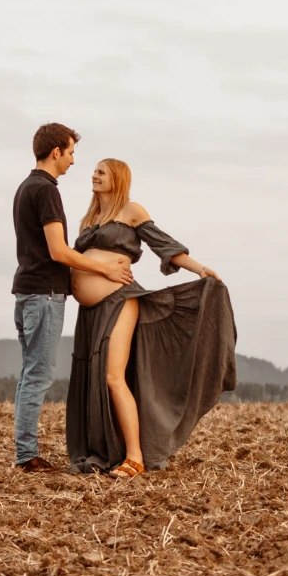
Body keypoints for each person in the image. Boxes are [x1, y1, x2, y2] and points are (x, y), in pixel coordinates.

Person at [65, 158, 237, 477]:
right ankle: (105, 450)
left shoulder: (131, 210)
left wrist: (200, 269)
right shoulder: (89, 220)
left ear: (117, 177)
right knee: (92, 378)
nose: (94, 175)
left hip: (120, 300)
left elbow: (164, 245)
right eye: (94, 171)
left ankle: (135, 457)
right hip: (89, 311)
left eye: (101, 172)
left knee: (113, 377)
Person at [11, 123, 133, 472]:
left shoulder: (25, 187)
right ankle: (27, 456)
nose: (73, 161)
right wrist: (104, 271)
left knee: (29, 374)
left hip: (27, 292)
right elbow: (58, 251)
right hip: (44, 295)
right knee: (38, 376)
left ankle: (25, 452)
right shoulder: (47, 190)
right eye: (71, 152)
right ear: (56, 153)